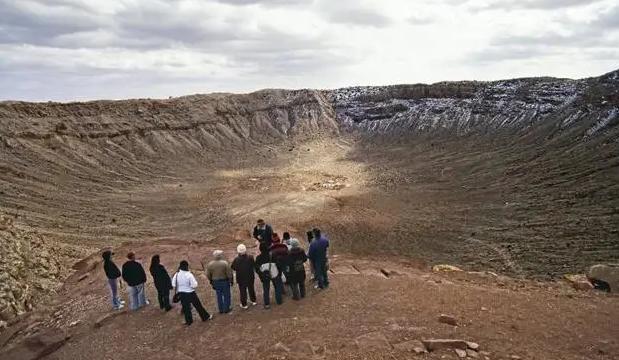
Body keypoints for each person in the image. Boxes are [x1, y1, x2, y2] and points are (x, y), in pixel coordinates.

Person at [171, 260, 212, 326]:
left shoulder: (176, 274)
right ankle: (205, 317)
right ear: (186, 266)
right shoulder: (189, 275)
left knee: (186, 307)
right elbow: (194, 285)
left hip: (182, 293)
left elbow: (173, 284)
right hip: (190, 292)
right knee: (198, 305)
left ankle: (189, 321)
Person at [255, 243, 283, 308]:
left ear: (260, 249)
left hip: (265, 275)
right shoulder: (273, 255)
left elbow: (256, 268)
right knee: (277, 287)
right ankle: (279, 301)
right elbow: (278, 265)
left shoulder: (259, 258)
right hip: (274, 274)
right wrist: (279, 273)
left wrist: (261, 275)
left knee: (266, 289)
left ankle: (267, 304)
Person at [231, 244, 257, 309]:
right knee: (251, 288)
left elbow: (233, 267)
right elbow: (253, 265)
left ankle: (244, 304)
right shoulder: (250, 257)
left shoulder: (236, 259)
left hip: (241, 278)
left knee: (243, 291)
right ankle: (253, 300)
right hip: (250, 276)